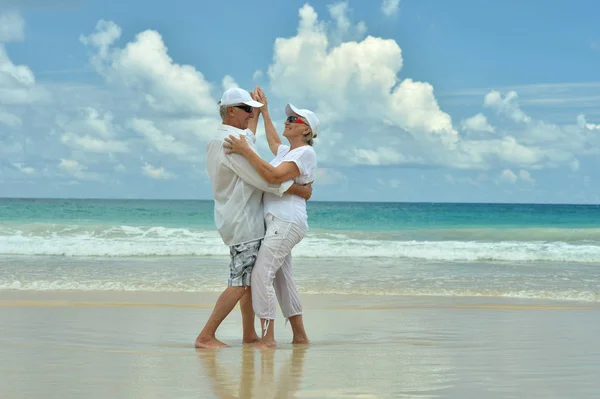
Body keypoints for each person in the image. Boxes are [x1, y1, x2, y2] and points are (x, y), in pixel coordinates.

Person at [195, 88, 312, 349]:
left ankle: (250, 334)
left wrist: (259, 111)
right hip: (245, 221)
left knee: (247, 281)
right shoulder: (231, 141)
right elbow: (264, 179)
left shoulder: (223, 136)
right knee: (240, 282)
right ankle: (205, 336)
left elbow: (250, 138)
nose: (251, 114)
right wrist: (300, 190)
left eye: (252, 110)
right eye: (247, 110)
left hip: (236, 218)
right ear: (232, 111)